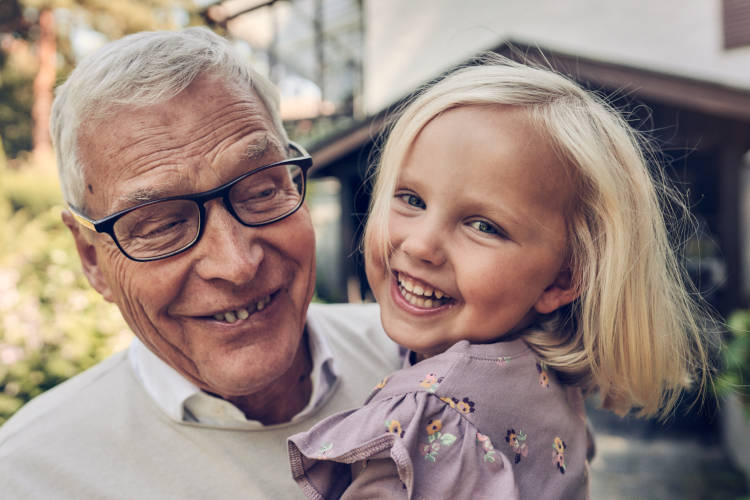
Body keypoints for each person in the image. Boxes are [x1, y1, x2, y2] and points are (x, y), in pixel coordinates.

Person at [287, 56, 715, 499]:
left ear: (561, 281)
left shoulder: (429, 414)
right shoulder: (544, 379)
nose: (419, 245)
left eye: (483, 226)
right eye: (411, 198)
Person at [0, 28, 401, 499]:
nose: (236, 265)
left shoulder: (423, 362)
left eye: (261, 190)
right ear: (91, 258)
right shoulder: (30, 477)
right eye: (161, 224)